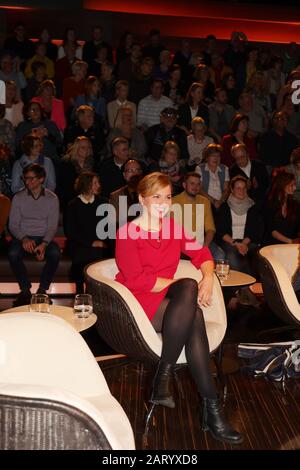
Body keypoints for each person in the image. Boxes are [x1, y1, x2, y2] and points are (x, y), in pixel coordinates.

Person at [115, 172, 243, 444]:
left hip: (172, 306)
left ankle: (179, 389)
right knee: (187, 291)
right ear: (142, 199)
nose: (163, 203)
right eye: (156, 197)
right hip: (140, 304)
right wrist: (183, 282)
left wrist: (208, 277)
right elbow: (138, 280)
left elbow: (203, 255)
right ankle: (209, 410)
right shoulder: (127, 233)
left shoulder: (174, 228)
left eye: (168, 197)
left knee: (193, 311)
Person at [8, 163, 60, 307]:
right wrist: (24, 238)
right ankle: (25, 289)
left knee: (55, 253)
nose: (28, 182)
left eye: (32, 178)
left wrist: (44, 244)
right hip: (23, 236)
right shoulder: (18, 197)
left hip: (43, 238)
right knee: (13, 253)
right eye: (26, 179)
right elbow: (13, 224)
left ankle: (42, 290)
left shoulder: (52, 198)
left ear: (41, 179)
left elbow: (52, 226)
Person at [216, 175, 263, 306]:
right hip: (230, 241)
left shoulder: (252, 206)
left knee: (257, 255)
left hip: (247, 241)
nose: (241, 191)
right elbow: (221, 231)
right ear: (232, 189)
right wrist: (236, 244)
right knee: (231, 255)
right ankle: (246, 290)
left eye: (243, 188)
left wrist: (243, 243)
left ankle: (240, 292)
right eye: (238, 188)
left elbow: (255, 231)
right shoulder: (225, 207)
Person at [64, 171, 110, 294]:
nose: (98, 185)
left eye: (98, 182)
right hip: (80, 244)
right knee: (82, 256)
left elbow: (108, 228)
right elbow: (70, 231)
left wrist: (102, 243)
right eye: (95, 183)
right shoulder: (73, 205)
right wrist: (91, 243)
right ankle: (80, 294)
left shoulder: (104, 203)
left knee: (102, 254)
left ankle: (98, 294)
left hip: (100, 243)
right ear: (86, 185)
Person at [172, 172, 225, 261]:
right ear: (184, 185)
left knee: (219, 255)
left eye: (198, 184)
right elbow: (173, 232)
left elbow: (210, 228)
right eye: (192, 183)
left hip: (201, 241)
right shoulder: (174, 202)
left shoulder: (204, 201)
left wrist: (205, 246)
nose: (195, 187)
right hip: (181, 244)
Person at [263, 170, 300, 246]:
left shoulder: (295, 204)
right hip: (272, 245)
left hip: (290, 244)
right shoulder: (269, 205)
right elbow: (272, 231)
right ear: (282, 186)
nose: (295, 188)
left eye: (294, 185)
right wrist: (291, 241)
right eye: (291, 185)